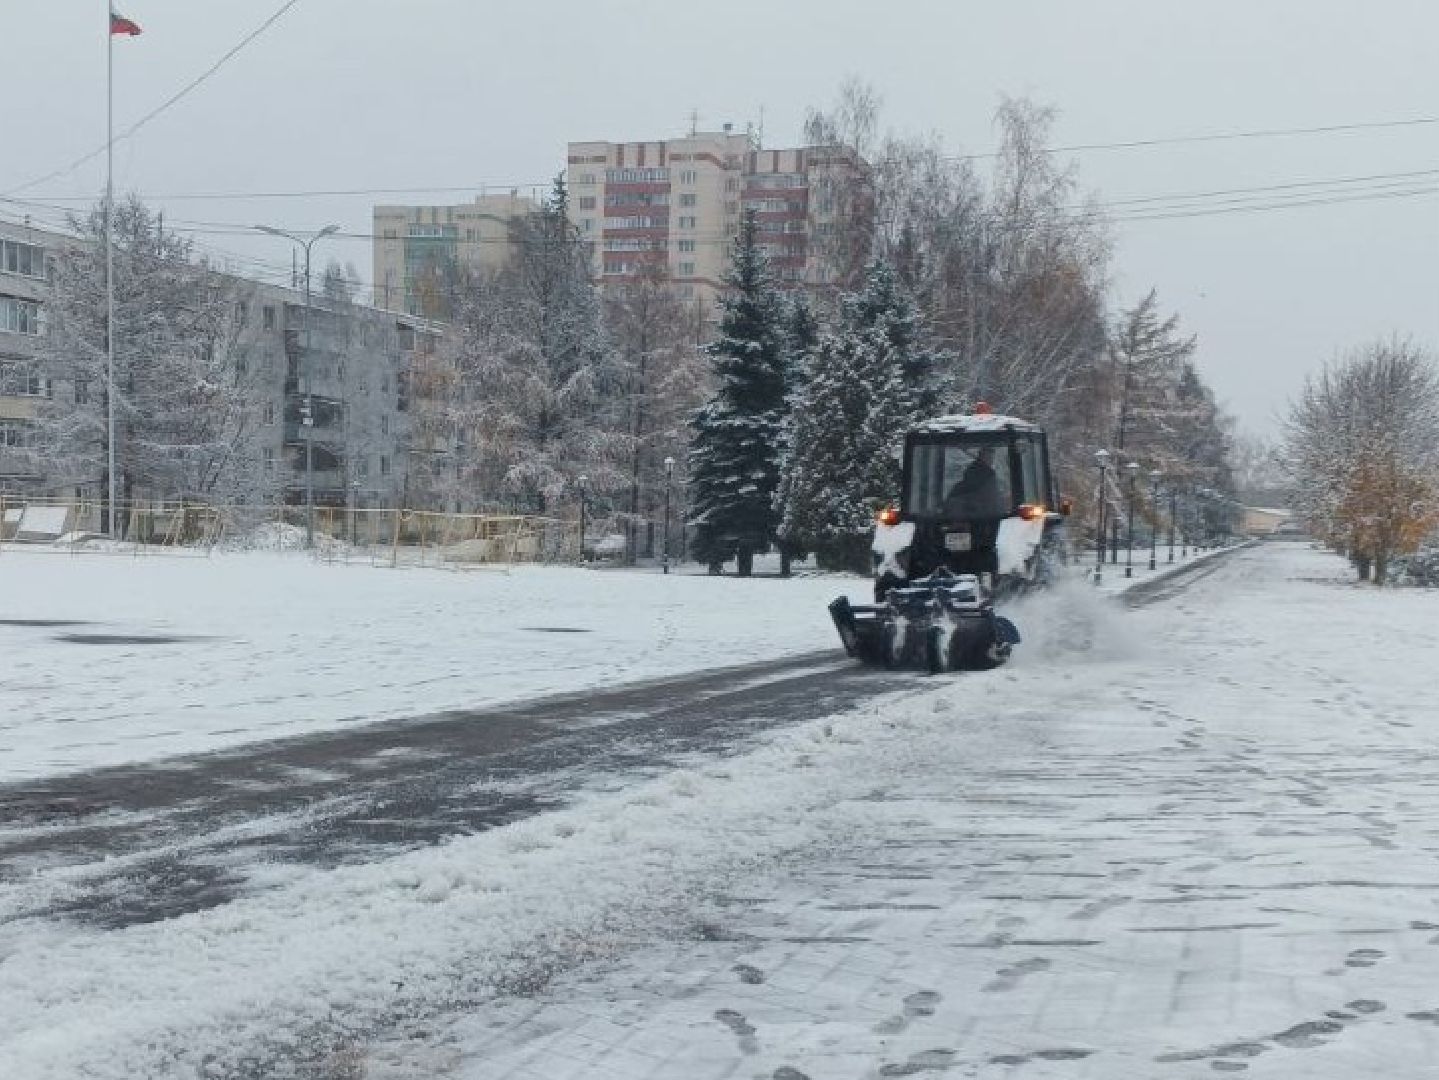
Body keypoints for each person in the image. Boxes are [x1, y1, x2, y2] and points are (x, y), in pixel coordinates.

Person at [944, 447, 1006, 517]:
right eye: (988, 457)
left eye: (991, 457)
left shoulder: (958, 490)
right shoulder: (988, 485)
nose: (991, 460)